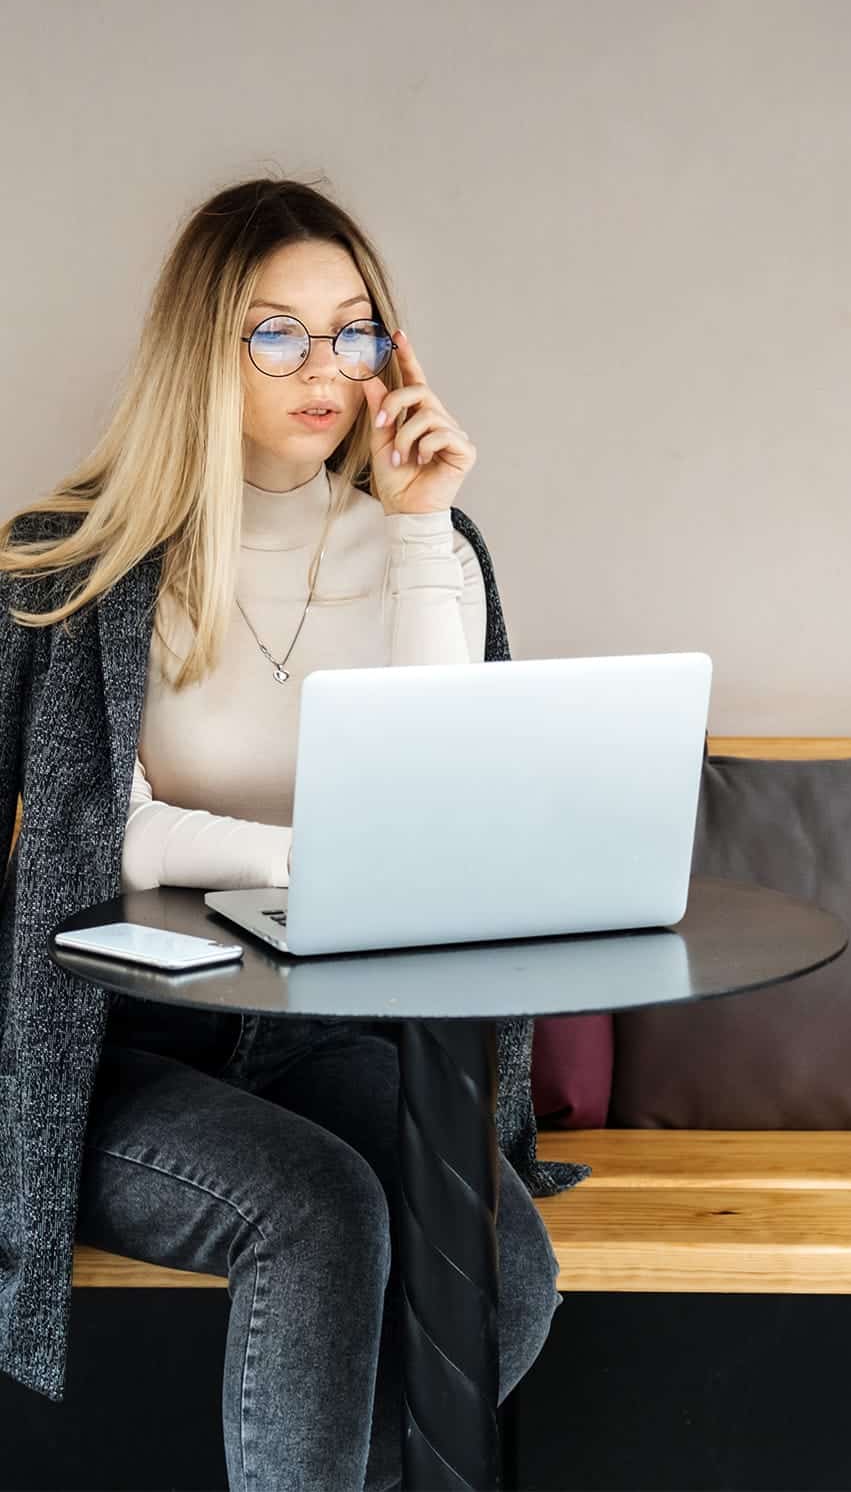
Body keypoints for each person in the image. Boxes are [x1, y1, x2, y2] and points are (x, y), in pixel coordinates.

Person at [0, 176, 590, 1490]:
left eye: (355, 330)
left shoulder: (429, 544)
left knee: (503, 1270)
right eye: (277, 333)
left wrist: (422, 518)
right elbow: (116, 840)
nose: (323, 369)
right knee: (323, 1208)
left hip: (330, 1029)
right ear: (200, 351)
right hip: (125, 1047)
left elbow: (440, 812)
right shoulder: (79, 564)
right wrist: (305, 862)